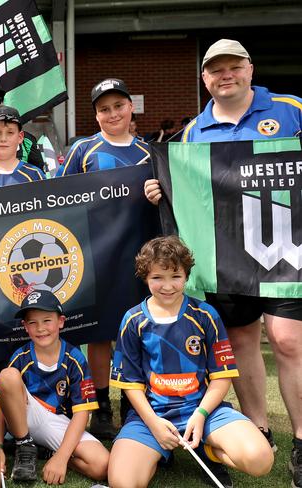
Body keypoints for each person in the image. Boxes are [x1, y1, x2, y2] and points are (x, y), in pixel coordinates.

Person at [144, 39, 302, 487]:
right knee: (242, 339)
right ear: (205, 78)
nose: (225, 75)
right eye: (216, 70)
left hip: (286, 249)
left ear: (250, 69)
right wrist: (164, 189)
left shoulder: (291, 109)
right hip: (227, 252)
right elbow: (187, 188)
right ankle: (259, 426)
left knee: (288, 340)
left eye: (234, 66)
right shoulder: (194, 130)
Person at [107, 236, 273, 488]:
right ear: (145, 277)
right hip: (152, 416)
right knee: (123, 482)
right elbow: (130, 384)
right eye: (157, 278)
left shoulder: (205, 314)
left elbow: (222, 375)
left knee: (261, 460)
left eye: (175, 276)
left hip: (203, 411)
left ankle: (208, 448)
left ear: (186, 275)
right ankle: (158, 451)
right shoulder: (133, 320)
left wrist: (201, 414)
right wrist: (154, 424)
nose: (167, 286)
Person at [57, 78, 151, 440]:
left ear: (131, 108)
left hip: (139, 255)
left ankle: (133, 404)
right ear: (95, 115)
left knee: (136, 332)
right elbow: (58, 197)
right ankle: (100, 406)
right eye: (104, 109)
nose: (112, 114)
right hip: (95, 255)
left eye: (118, 106)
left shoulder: (146, 152)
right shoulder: (84, 150)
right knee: (99, 334)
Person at [0, 289, 109, 484]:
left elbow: (82, 413)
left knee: (102, 465)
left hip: (57, 422)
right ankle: (23, 444)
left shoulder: (74, 359)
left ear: (61, 321)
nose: (40, 328)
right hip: (24, 416)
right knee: (7, 376)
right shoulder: (20, 357)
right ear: (25, 326)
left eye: (47, 320)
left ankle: (48, 452)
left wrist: (62, 457)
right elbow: (0, 405)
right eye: (33, 322)